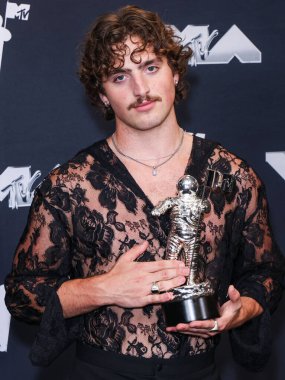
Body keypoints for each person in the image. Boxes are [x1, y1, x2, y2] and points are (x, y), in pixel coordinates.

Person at [4, 5, 284, 380]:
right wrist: (102, 289)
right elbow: (22, 295)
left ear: (175, 72)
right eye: (119, 77)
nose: (140, 89)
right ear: (102, 95)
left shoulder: (232, 176)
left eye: (150, 67)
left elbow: (265, 273)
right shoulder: (69, 186)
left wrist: (244, 308)